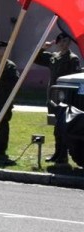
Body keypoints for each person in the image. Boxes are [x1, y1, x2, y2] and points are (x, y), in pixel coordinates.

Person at [34, 31, 81, 164]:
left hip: (66, 97)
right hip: (53, 96)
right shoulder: (53, 57)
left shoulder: (73, 59)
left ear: (69, 43)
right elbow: (36, 59)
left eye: (66, 41)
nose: (63, 44)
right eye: (61, 41)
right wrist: (43, 48)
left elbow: (74, 78)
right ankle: (57, 153)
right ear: (57, 43)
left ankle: (63, 155)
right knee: (56, 127)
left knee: (64, 127)